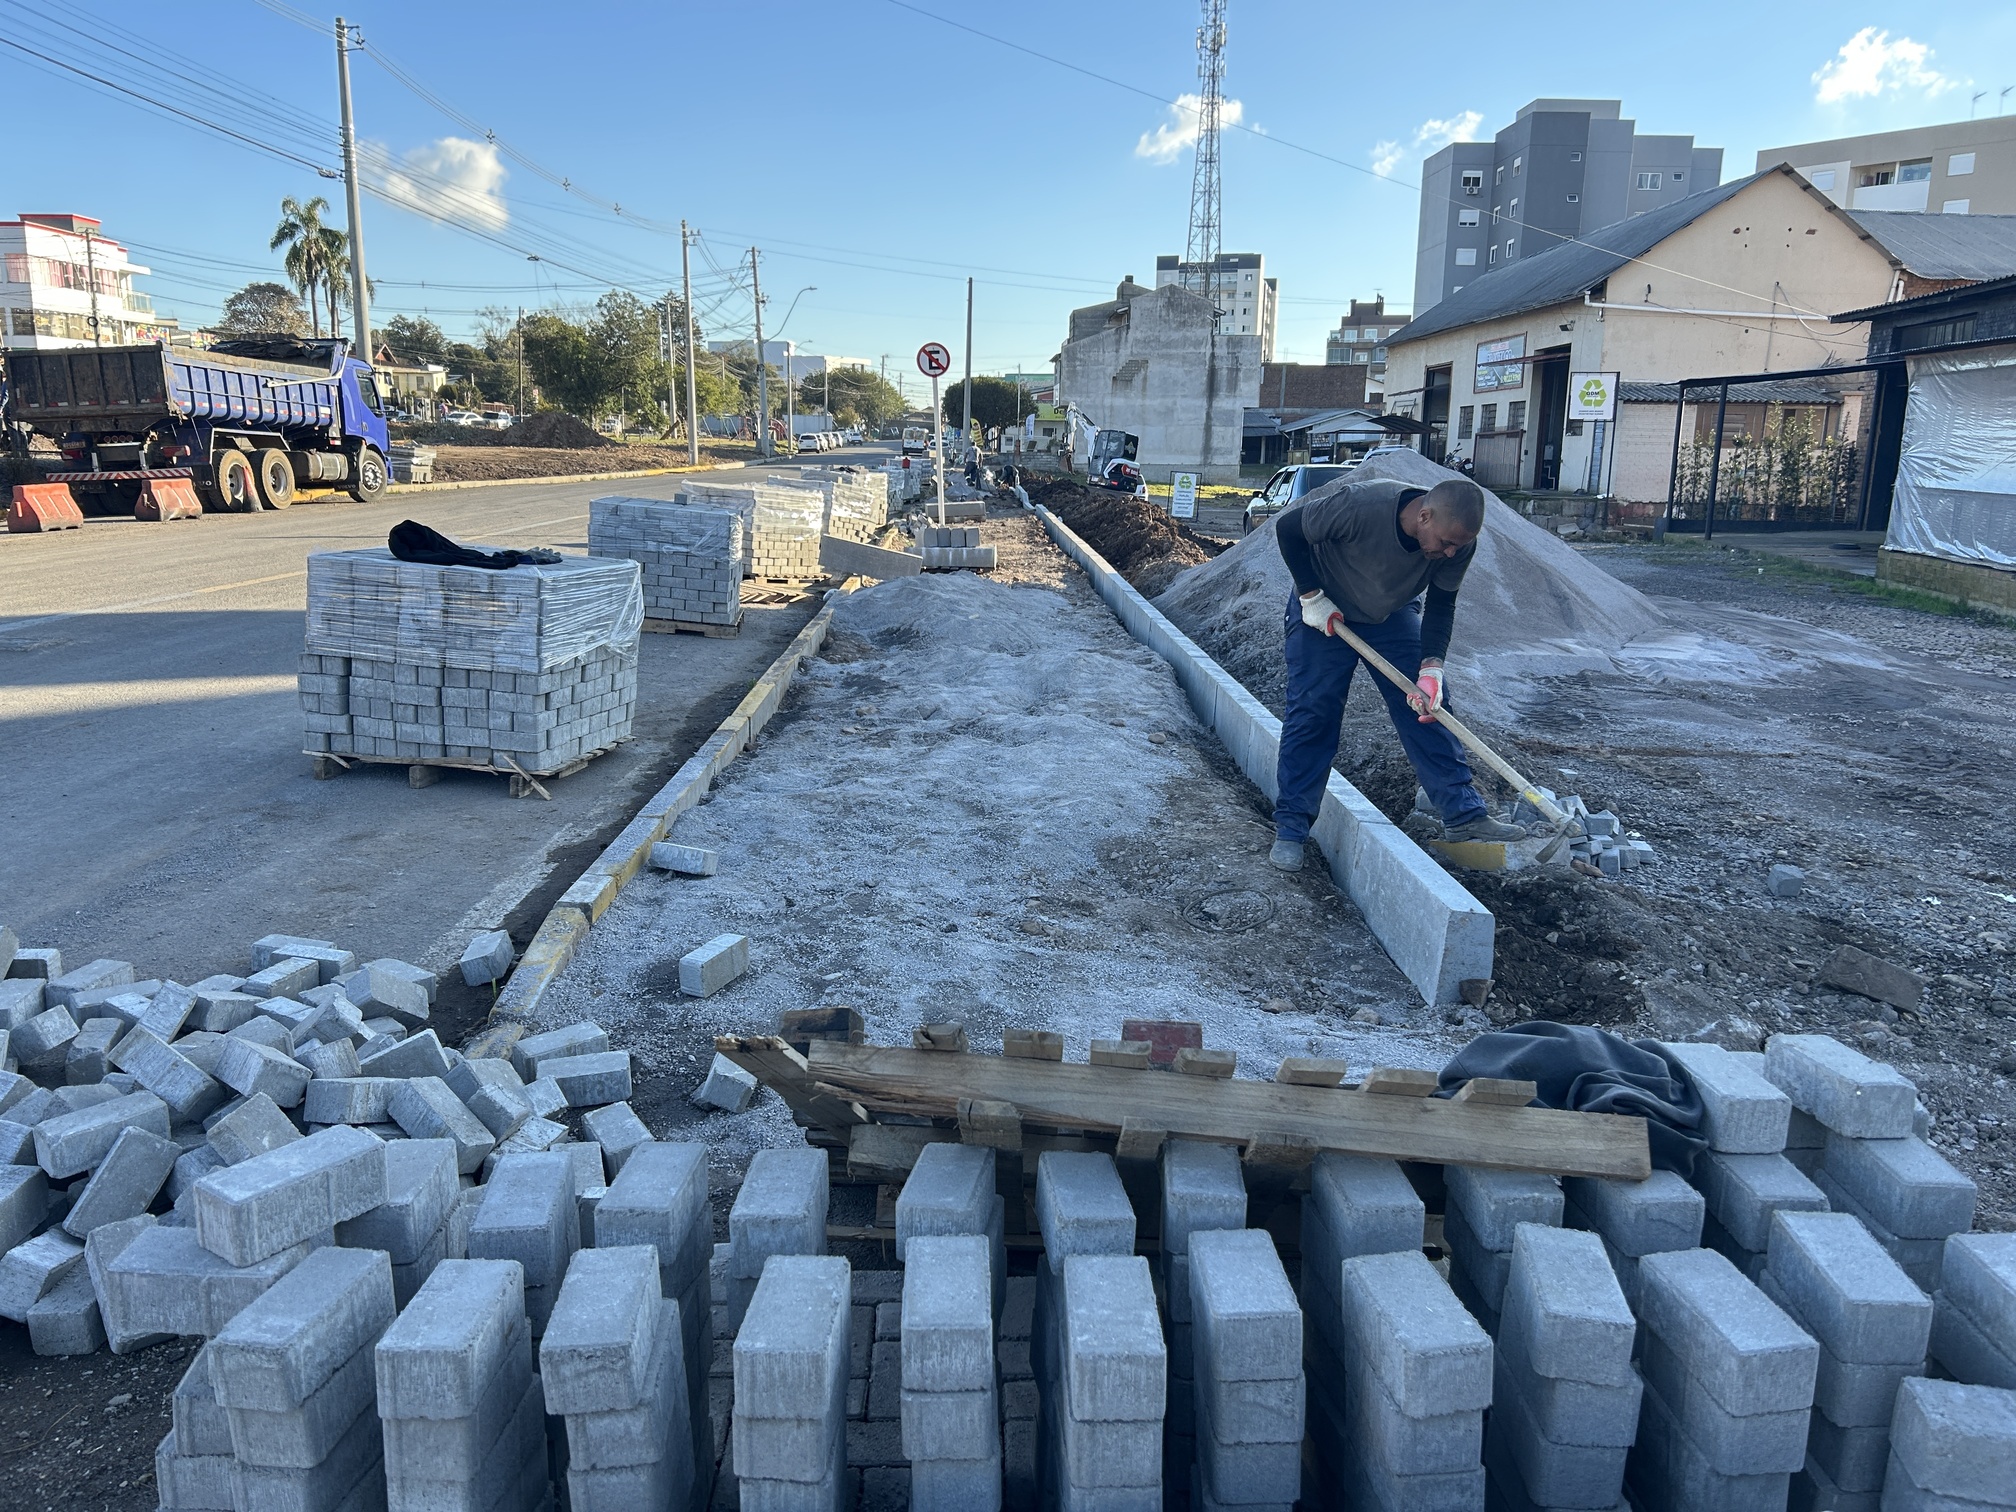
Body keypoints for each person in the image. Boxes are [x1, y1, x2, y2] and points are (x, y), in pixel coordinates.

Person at [1267, 473, 1523, 872]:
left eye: (1460, 545)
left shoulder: (1458, 543)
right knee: (1314, 712)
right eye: (1446, 543)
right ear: (1424, 517)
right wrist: (1311, 595)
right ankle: (1291, 829)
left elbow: (1441, 604)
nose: (1452, 552)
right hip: (1324, 609)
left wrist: (1432, 667)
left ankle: (1463, 816)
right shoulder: (1360, 507)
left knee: (1427, 706)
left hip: (1390, 614)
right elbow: (1288, 528)